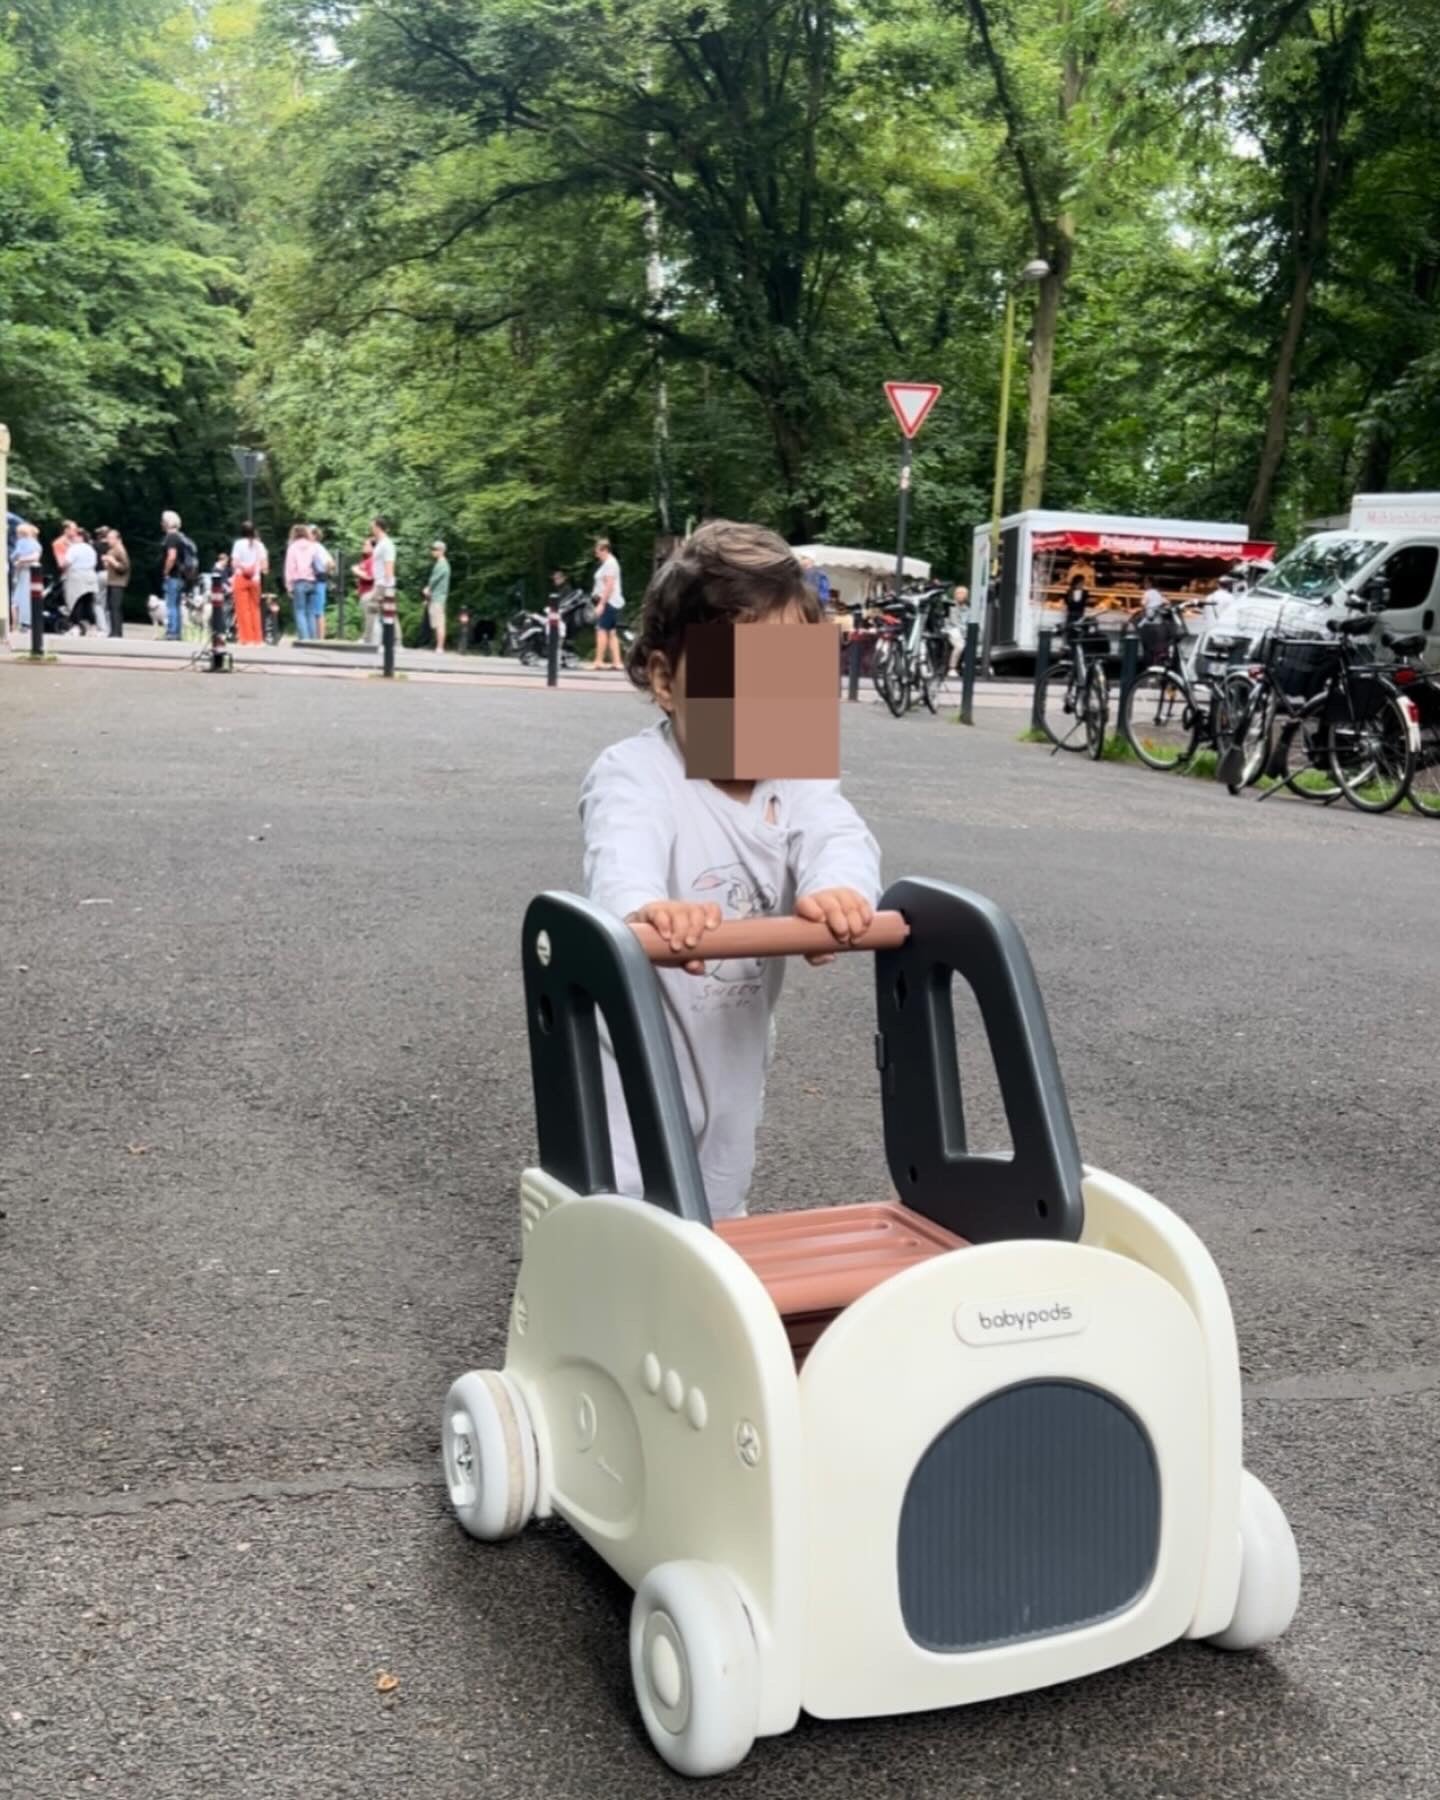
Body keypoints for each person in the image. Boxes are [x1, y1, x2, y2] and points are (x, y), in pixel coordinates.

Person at [578, 520, 881, 1220]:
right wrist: (645, 906)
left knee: (720, 1190)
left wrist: (838, 890)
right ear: (667, 681)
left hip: (735, 1043)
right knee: (631, 1197)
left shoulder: (793, 777)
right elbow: (620, 850)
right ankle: (610, 1258)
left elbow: (837, 832)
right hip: (635, 1047)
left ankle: (711, 1262)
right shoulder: (637, 773)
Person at [589, 535, 625, 670]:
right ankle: (617, 661)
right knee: (612, 632)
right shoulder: (609, 563)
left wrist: (601, 604)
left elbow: (609, 586)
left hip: (609, 601)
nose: (596, 554)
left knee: (601, 630)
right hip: (612, 601)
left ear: (605, 550)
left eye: (598, 551)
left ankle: (598, 661)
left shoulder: (610, 564)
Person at [230, 520, 267, 645]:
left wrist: (244, 567)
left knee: (242, 609)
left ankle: (246, 638)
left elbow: (235, 562)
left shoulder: (238, 544)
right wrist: (255, 569)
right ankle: (258, 639)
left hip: (241, 577)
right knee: (255, 609)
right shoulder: (259, 545)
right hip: (255, 579)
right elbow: (264, 565)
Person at [63, 528, 102, 634]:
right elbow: (95, 563)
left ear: (80, 537)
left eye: (74, 536)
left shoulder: (74, 548)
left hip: (77, 575)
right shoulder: (91, 549)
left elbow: (67, 562)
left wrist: (63, 567)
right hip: (90, 575)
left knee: (75, 601)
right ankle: (93, 627)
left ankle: (76, 626)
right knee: (88, 602)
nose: (72, 538)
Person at [365, 515, 396, 647]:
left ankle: (368, 639)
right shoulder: (381, 543)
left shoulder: (386, 544)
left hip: (384, 583)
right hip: (380, 582)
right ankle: (396, 641)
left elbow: (389, 564)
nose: (371, 529)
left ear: (378, 527)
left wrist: (389, 586)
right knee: (387, 612)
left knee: (372, 607)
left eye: (372, 526)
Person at [284, 522, 317, 641]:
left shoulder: (292, 547)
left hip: (299, 582)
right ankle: (313, 639)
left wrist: (289, 586)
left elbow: (289, 568)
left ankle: (305, 639)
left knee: (300, 611)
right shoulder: (312, 546)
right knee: (311, 612)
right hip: (312, 581)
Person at [159, 510, 187, 640]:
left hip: (173, 576)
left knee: (171, 605)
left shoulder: (171, 537)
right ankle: (177, 632)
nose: (161, 524)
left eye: (163, 521)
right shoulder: (181, 537)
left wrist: (166, 571)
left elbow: (171, 556)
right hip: (181, 576)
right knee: (176, 605)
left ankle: (172, 632)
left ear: (167, 523)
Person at [11, 522, 41, 637]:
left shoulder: (23, 543)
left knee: (18, 601)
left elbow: (16, 556)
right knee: (22, 600)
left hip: (25, 573)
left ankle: (18, 626)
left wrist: (19, 560)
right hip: (28, 573)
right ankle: (23, 625)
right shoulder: (35, 544)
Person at [100, 526, 130, 637]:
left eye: (110, 538)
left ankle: (117, 632)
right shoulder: (112, 550)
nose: (108, 540)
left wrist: (112, 561)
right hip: (112, 581)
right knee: (111, 607)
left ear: (117, 539)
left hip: (118, 582)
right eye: (107, 538)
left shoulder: (120, 549)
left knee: (115, 607)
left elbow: (124, 567)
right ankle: (113, 631)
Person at [423, 539, 451, 653]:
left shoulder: (442, 565)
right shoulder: (440, 564)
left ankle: (440, 647)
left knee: (439, 623)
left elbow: (434, 580)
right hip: (436, 597)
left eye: (435, 549)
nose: (433, 551)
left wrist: (427, 589)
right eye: (433, 549)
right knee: (437, 622)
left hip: (438, 598)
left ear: (442, 551)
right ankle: (438, 646)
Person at [309, 527, 333, 639]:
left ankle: (320, 638)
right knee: (315, 610)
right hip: (316, 580)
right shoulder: (315, 547)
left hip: (318, 580)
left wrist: (324, 573)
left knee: (318, 611)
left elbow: (330, 563)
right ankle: (317, 637)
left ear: (314, 535)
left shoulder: (317, 547)